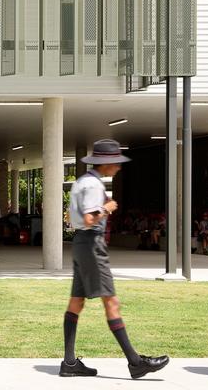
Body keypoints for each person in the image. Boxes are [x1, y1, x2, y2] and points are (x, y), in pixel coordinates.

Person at [59, 139, 169, 380]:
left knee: (76, 302)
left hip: (80, 244)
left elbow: (69, 216)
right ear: (106, 162)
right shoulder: (93, 186)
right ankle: (135, 362)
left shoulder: (80, 182)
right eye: (116, 163)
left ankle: (69, 362)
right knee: (112, 302)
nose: (118, 167)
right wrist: (107, 207)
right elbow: (90, 219)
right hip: (91, 244)